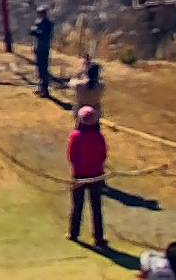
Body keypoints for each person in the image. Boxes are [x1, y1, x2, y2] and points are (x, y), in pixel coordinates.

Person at [67, 106, 107, 247]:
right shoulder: (99, 137)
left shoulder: (76, 136)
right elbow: (103, 156)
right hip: (96, 175)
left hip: (79, 175)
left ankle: (73, 233)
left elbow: (71, 156)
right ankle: (99, 238)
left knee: (77, 205)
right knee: (96, 207)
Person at [30, 5, 55, 97]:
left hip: (44, 49)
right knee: (39, 69)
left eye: (41, 13)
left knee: (44, 69)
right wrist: (35, 30)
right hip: (38, 48)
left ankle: (45, 90)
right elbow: (32, 32)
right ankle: (40, 88)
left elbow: (44, 34)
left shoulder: (48, 24)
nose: (40, 15)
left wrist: (36, 31)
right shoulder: (38, 22)